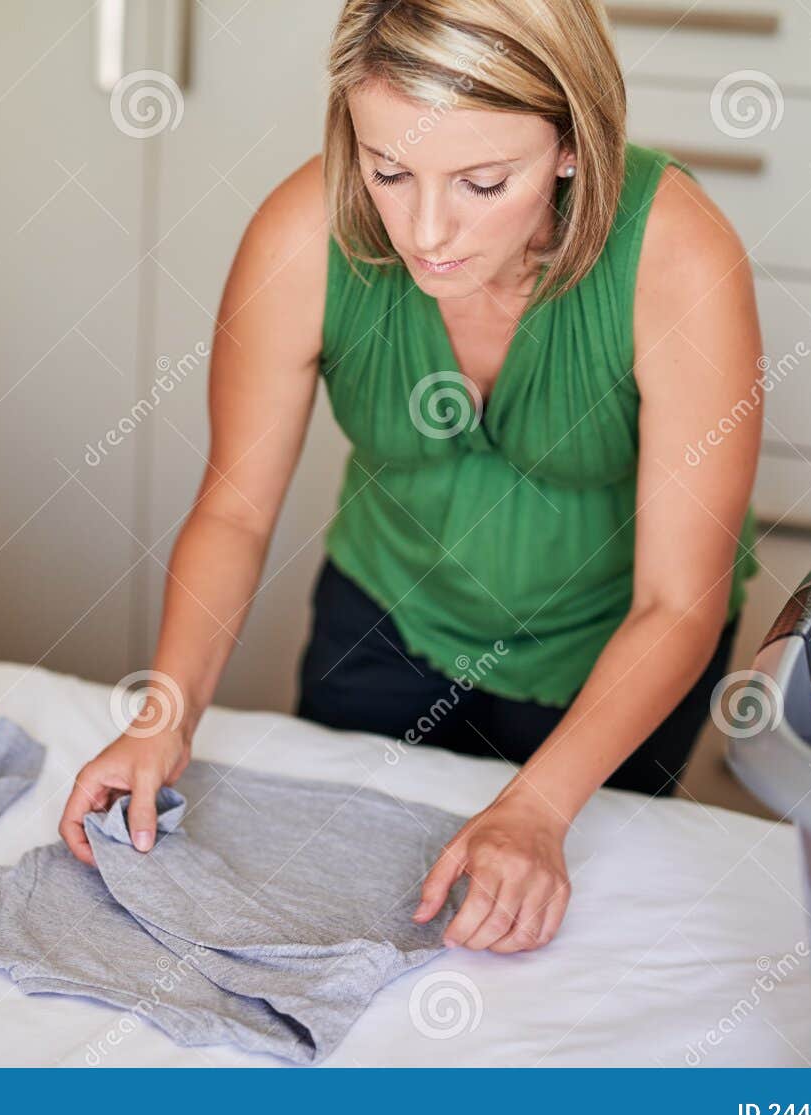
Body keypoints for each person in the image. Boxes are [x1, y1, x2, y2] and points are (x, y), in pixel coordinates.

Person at [59, 0, 763, 955]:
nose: (426, 232)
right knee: (332, 905)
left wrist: (540, 809)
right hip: (388, 619)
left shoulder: (677, 252)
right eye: (389, 171)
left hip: (613, 660)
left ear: (572, 144)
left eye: (481, 181)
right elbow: (233, 509)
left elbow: (680, 599)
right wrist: (165, 718)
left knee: (545, 957)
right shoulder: (304, 234)